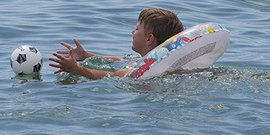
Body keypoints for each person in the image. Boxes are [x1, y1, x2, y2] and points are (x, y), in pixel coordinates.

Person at [49, 8, 184, 80]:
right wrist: (85, 55)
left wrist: (76, 69)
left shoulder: (138, 70)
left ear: (149, 39)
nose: (132, 31)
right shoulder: (164, 62)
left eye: (137, 29)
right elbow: (119, 61)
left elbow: (107, 76)